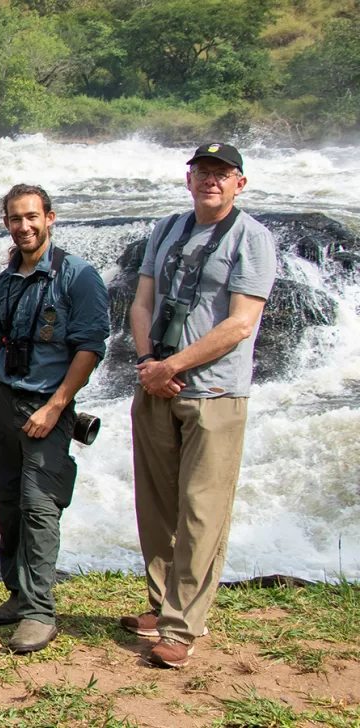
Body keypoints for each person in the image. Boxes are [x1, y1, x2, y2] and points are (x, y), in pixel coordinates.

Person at [124, 143, 275, 669]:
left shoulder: (252, 239)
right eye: (203, 172)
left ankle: (183, 626)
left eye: (222, 173)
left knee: (201, 511)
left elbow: (239, 324)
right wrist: (149, 362)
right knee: (156, 506)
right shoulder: (167, 228)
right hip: (155, 383)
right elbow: (142, 302)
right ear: (188, 178)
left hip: (214, 392)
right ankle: (163, 604)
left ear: (240, 183)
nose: (211, 180)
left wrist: (174, 366)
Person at [0, 185, 109, 654]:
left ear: (50, 218)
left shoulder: (78, 276)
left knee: (39, 506)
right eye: (14, 218)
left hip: (47, 408)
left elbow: (90, 348)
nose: (23, 226)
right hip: (4, 405)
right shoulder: (6, 280)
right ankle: (17, 593)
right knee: (6, 500)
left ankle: (39, 612)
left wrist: (55, 407)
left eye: (32, 217)